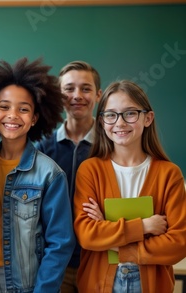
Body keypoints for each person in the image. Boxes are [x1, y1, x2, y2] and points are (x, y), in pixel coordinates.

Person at [73, 80, 186, 292]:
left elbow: (178, 244)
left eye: (130, 113)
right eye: (111, 114)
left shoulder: (169, 174)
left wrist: (111, 237)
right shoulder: (90, 170)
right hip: (99, 284)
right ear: (102, 121)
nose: (120, 123)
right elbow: (87, 235)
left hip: (150, 285)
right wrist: (144, 226)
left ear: (148, 118)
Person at [0, 57, 76, 292]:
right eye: (4, 107)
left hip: (29, 284)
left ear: (34, 118)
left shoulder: (49, 174)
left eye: (23, 109)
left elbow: (60, 243)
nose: (12, 115)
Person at [35, 60, 102, 292]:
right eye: (69, 88)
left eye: (86, 88)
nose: (77, 95)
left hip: (98, 260)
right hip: (54, 263)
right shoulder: (43, 147)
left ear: (99, 95)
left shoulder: (111, 145)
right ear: (59, 94)